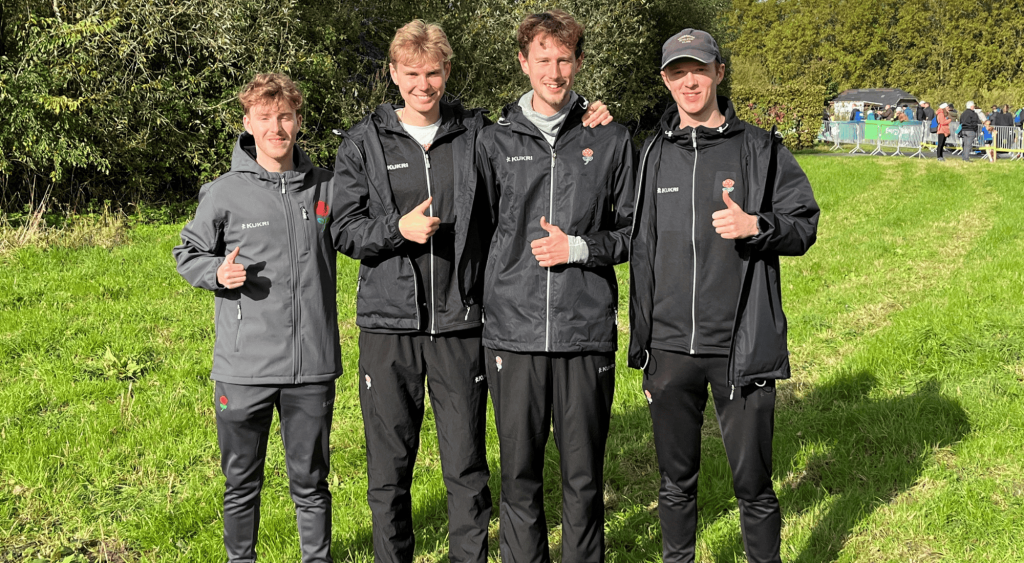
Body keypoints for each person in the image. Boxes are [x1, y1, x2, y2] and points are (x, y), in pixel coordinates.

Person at [331, 20, 613, 563]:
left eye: (433, 73)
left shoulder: (477, 133)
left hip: (461, 323)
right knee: (389, 471)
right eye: (412, 73)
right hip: (389, 327)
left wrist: (588, 112)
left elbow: (538, 125)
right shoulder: (363, 143)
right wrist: (396, 229)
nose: (423, 84)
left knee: (466, 468)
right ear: (393, 74)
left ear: (447, 72)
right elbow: (343, 229)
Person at [628, 28, 819, 563]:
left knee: (753, 485)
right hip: (668, 349)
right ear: (665, 80)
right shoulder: (651, 154)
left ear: (719, 72)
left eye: (699, 69)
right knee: (674, 484)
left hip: (740, 348)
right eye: (678, 72)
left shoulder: (760, 148)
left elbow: (804, 224)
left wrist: (757, 225)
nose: (689, 81)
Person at [474, 9, 635, 562]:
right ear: (524, 62)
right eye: (543, 59)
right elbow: (479, 234)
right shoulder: (493, 141)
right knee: (518, 475)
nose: (554, 71)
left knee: (583, 477)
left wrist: (579, 248)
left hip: (583, 331)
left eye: (564, 59)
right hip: (513, 334)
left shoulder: (609, 138)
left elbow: (634, 233)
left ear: (579, 62)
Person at [173, 73, 339, 563]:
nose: (276, 127)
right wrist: (215, 273)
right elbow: (188, 252)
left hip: (311, 366)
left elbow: (363, 229)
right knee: (242, 482)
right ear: (248, 123)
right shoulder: (224, 193)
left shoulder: (327, 186)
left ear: (298, 120)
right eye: (264, 118)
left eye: (285, 116)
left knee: (312, 482)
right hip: (244, 369)